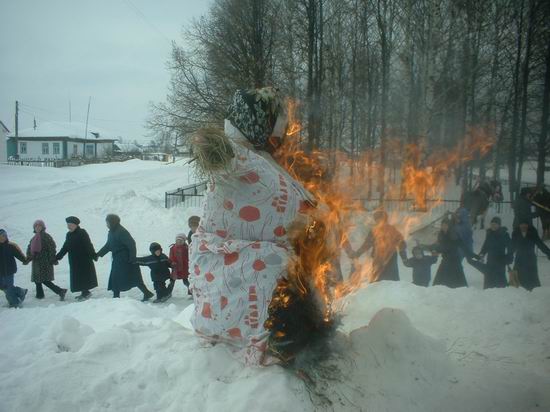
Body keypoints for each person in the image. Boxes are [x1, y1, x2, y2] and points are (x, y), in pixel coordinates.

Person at [189, 87, 315, 365]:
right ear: (255, 123)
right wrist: (213, 146)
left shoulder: (258, 156)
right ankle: (256, 343)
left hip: (254, 257)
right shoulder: (238, 155)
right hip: (231, 261)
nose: (279, 137)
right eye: (275, 128)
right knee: (271, 268)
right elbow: (220, 158)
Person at [96, 214, 154, 301]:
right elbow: (108, 245)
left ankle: (146, 293)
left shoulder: (121, 232)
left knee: (133, 277)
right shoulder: (112, 232)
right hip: (117, 259)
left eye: (107, 222)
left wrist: (132, 258)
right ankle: (117, 295)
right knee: (116, 277)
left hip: (125, 259)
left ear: (112, 222)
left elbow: (131, 244)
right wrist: (98, 254)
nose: (106, 224)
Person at [349, 210, 407, 282]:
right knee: (377, 280)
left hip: (390, 258)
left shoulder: (392, 230)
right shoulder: (374, 231)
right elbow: (367, 244)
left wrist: (404, 256)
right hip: (378, 258)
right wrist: (357, 254)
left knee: (391, 281)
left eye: (380, 218)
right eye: (377, 219)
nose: (378, 221)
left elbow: (401, 243)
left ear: (385, 219)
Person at [55, 216, 98, 300]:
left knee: (84, 276)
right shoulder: (68, 234)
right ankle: (84, 292)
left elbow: (88, 244)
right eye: (68, 225)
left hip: (84, 260)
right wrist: (58, 257)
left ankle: (86, 293)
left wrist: (93, 255)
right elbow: (65, 247)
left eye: (70, 224)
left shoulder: (82, 232)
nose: (68, 226)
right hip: (74, 260)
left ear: (75, 225)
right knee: (78, 277)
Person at [430, 217, 477, 288]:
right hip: (445, 259)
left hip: (454, 260)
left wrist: (472, 254)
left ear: (449, 226)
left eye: (445, 225)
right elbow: (439, 245)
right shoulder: (441, 234)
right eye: (442, 225)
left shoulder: (454, 235)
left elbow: (462, 245)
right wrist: (433, 249)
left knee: (459, 284)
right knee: (439, 283)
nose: (444, 227)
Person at [26, 220, 67, 300]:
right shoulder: (33, 238)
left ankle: (60, 291)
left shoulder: (46, 236)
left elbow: (52, 248)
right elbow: (29, 248)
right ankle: (40, 295)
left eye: (39, 226)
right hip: (36, 262)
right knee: (37, 280)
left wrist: (52, 259)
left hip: (45, 261)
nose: (38, 227)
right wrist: (28, 257)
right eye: (36, 226)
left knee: (44, 280)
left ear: (43, 227)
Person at [468, 216, 512, 289]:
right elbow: (485, 246)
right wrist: (481, 255)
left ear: (499, 225)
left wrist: (509, 257)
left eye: (495, 224)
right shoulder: (489, 233)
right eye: (492, 224)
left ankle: (502, 295)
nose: (493, 225)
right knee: (489, 280)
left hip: (500, 261)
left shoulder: (504, 234)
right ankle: (488, 294)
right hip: (490, 260)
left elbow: (511, 247)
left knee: (500, 283)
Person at [509, 220, 550, 291]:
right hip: (519, 258)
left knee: (532, 278)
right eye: (521, 224)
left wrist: (548, 252)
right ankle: (518, 294)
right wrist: (509, 256)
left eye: (525, 224)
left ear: (528, 225)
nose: (523, 226)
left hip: (530, 258)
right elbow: (512, 246)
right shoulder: (515, 232)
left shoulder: (532, 232)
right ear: (519, 225)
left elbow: (540, 244)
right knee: (518, 278)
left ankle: (533, 293)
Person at [0, 229, 28, 308]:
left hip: (9, 270)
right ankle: (21, 291)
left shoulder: (11, 245)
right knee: (3, 287)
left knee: (8, 288)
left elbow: (19, 254)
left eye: (4, 236)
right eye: (1, 236)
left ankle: (15, 303)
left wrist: (25, 260)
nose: (3, 237)